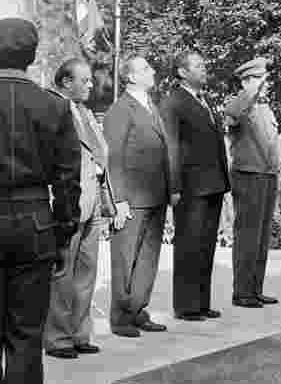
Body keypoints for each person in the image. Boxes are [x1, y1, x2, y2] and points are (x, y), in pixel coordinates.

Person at [0, 17, 80, 384]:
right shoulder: (51, 107)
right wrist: (64, 234)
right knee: (25, 341)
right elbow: (67, 178)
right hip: (32, 223)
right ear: (30, 57)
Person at [103, 55, 176, 335]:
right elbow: (114, 158)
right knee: (125, 258)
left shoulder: (150, 106)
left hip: (155, 195)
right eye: (145, 68)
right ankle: (121, 317)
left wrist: (171, 190)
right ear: (131, 77)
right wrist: (118, 200)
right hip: (132, 198)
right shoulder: (121, 109)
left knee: (147, 258)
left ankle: (137, 309)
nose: (153, 71)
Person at [43, 56, 110, 358]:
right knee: (62, 272)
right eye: (85, 80)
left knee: (87, 271)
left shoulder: (85, 112)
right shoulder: (51, 109)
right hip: (67, 201)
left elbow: (101, 155)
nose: (91, 85)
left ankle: (80, 333)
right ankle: (58, 337)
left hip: (92, 199)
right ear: (66, 82)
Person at [159, 50, 230, 321]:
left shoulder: (204, 100)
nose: (205, 69)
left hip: (211, 184)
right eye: (198, 66)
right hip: (190, 187)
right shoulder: (173, 102)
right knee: (190, 246)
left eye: (204, 64)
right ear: (182, 71)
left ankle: (201, 302)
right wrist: (174, 187)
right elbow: (171, 146)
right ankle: (186, 305)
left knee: (206, 247)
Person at [223, 56, 279, 309]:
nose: (265, 84)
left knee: (261, 236)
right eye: (260, 79)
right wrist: (251, 91)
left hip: (266, 176)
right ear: (247, 81)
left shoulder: (265, 109)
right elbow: (232, 114)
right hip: (248, 175)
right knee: (248, 235)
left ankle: (255, 288)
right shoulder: (239, 103)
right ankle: (242, 292)